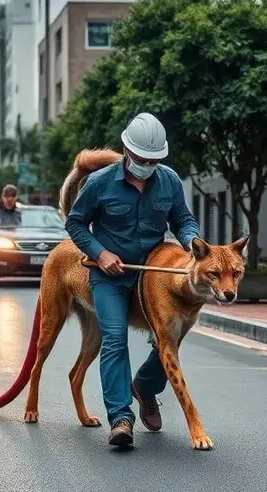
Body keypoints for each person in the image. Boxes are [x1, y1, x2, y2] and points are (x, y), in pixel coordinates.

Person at [64, 112, 201, 447]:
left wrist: (191, 242)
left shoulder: (169, 181)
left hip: (152, 274)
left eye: (154, 160)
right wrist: (100, 253)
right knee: (113, 338)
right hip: (109, 276)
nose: (147, 165)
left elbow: (183, 219)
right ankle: (121, 419)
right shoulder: (100, 183)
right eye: (142, 159)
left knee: (169, 340)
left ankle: (145, 385)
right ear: (127, 151)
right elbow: (75, 224)